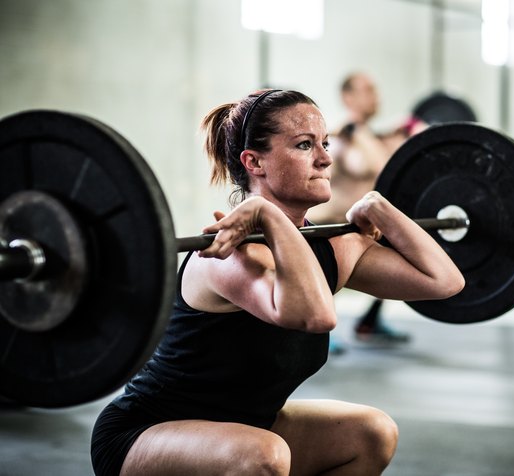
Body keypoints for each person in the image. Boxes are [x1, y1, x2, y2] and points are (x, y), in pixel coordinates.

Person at [90, 89, 464, 476]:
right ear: (254, 162)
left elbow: (443, 281)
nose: (325, 158)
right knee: (264, 456)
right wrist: (267, 215)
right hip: (147, 434)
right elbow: (315, 316)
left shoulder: (333, 245)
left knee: (371, 433)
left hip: (245, 426)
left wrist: (378, 206)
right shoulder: (230, 255)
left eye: (325, 143)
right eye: (304, 145)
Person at [309, 73, 426, 349]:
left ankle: (370, 321)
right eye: (368, 90)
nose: (376, 96)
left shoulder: (369, 134)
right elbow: (382, 166)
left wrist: (409, 126)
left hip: (358, 228)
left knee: (399, 248)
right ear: (348, 97)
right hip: (324, 227)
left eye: (376, 89)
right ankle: (315, 332)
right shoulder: (338, 136)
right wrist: (359, 130)